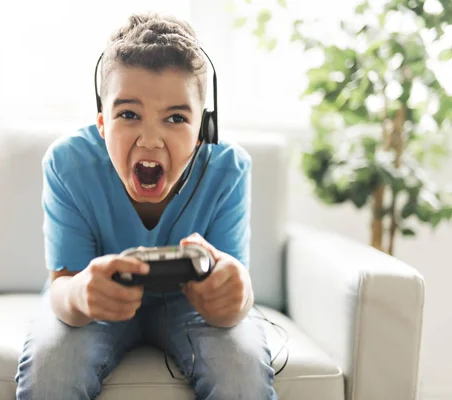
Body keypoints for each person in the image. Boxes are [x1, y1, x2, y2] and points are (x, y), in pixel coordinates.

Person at [15, 12, 278, 400]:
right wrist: (82, 293)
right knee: (51, 366)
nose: (151, 140)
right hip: (96, 304)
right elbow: (63, 286)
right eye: (128, 114)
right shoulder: (67, 164)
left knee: (241, 369)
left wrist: (236, 300)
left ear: (204, 129)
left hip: (189, 305)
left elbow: (231, 296)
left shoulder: (229, 170)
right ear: (102, 123)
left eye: (175, 117)